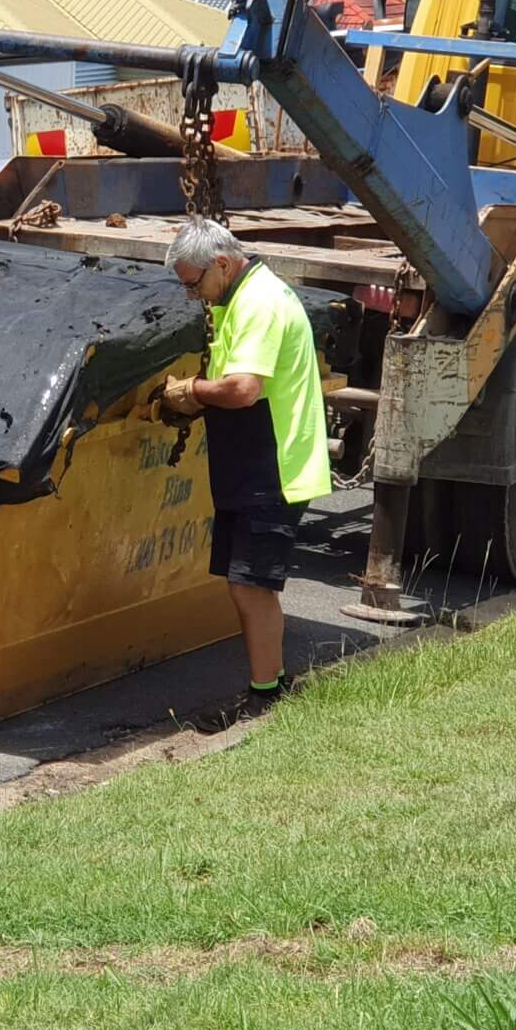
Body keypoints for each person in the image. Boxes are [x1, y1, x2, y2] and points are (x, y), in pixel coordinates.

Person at [157, 217, 331, 732]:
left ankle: (266, 697)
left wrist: (190, 391)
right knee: (246, 585)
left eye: (194, 284)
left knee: (251, 587)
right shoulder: (239, 297)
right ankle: (270, 685)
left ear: (224, 264)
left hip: (272, 468)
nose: (193, 295)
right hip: (252, 465)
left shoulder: (260, 303)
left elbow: (243, 389)